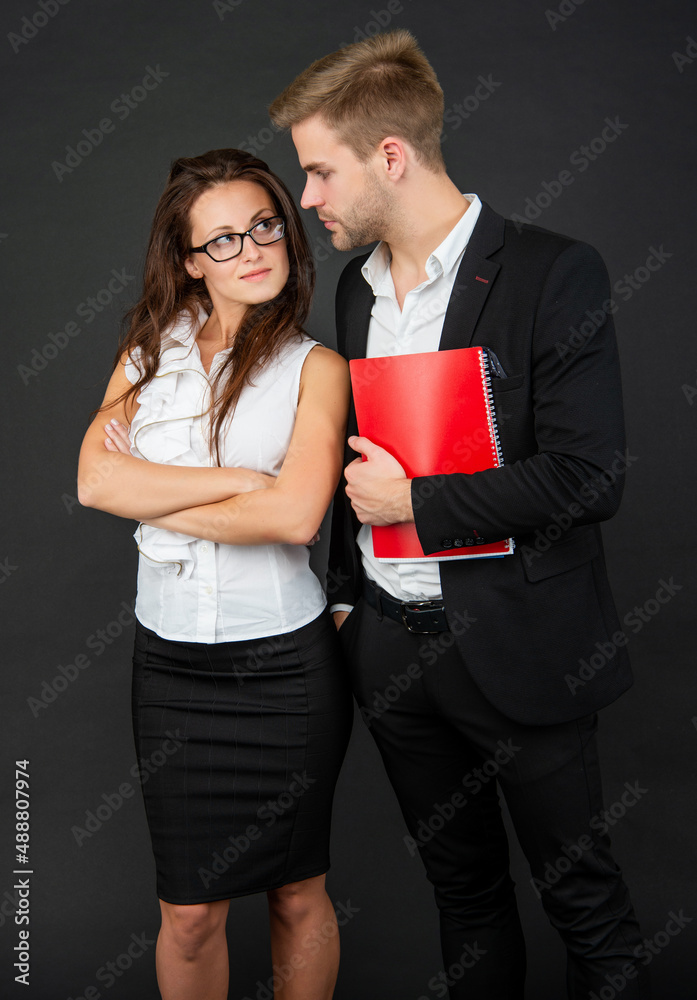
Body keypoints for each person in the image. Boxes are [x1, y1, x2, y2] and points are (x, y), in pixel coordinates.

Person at [269, 30, 650, 1000]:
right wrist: (349, 607)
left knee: (586, 909)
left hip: (525, 647)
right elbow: (358, 457)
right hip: (392, 656)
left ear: (390, 156)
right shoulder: (356, 292)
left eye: (319, 172)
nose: (305, 198)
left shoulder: (552, 273)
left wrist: (417, 503)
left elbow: (588, 477)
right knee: (464, 897)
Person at [77, 148, 353, 1000]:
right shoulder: (146, 351)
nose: (252, 250)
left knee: (295, 892)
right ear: (190, 259)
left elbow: (295, 518)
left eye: (264, 226)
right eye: (223, 239)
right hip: (171, 669)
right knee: (190, 914)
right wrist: (240, 482)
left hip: (286, 670)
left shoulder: (316, 369)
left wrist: (152, 497)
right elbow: (94, 481)